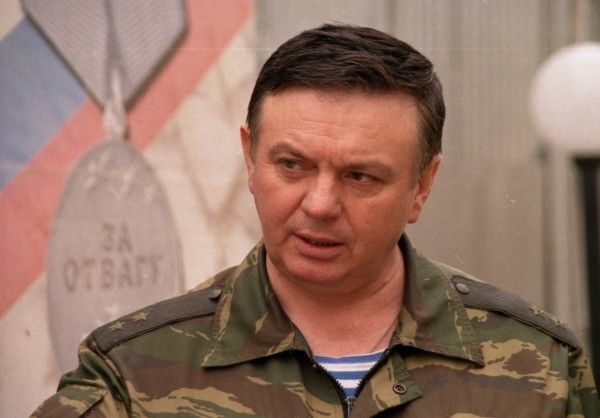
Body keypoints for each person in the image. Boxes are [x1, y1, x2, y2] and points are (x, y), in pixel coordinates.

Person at [32, 24, 598, 418]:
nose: (321, 204)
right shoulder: (133, 374)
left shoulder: (540, 369)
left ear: (422, 186)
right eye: (292, 165)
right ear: (250, 159)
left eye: (360, 176)